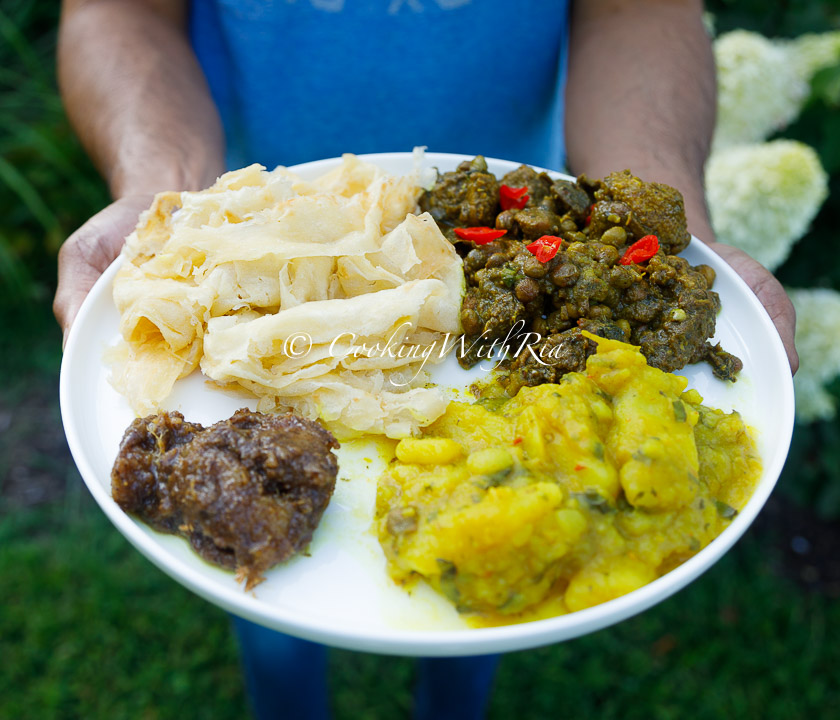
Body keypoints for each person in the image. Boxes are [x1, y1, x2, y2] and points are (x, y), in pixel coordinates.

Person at [52, 1, 798, 718]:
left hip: (504, 200)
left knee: (490, 605)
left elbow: (639, 10)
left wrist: (664, 233)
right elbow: (121, 9)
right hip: (244, 191)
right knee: (265, 602)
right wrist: (161, 197)